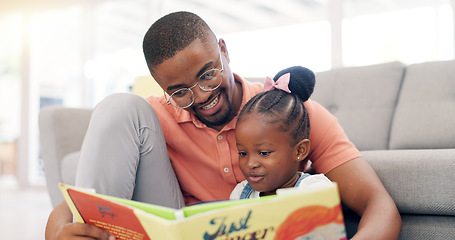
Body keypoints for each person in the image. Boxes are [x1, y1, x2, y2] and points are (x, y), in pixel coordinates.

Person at [45, 11, 401, 240]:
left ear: (224, 50)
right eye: (180, 92)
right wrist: (60, 232)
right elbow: (72, 206)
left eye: (208, 74)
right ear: (163, 88)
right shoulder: (152, 118)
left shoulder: (288, 113)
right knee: (118, 106)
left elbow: (378, 206)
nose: (201, 97)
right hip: (175, 225)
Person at [230, 66, 332, 200]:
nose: (250, 164)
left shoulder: (315, 190)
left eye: (264, 153)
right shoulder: (240, 194)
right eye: (243, 153)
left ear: (300, 151)